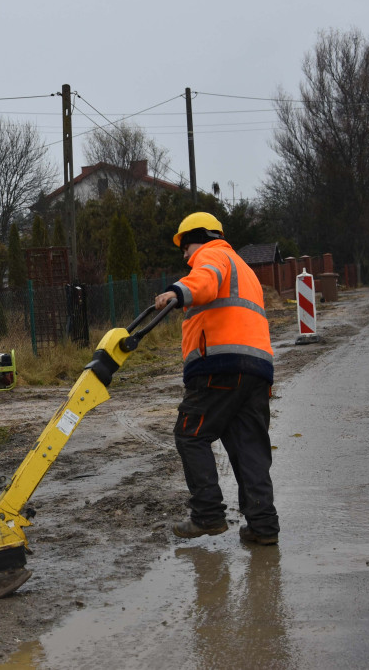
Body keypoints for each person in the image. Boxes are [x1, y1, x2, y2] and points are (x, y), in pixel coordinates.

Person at [154, 212, 279, 546]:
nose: (184, 254)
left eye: (184, 245)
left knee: (190, 434)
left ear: (199, 236)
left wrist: (176, 292)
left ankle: (207, 515)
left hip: (220, 365)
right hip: (256, 370)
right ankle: (263, 526)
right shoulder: (246, 270)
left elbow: (204, 281)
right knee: (249, 447)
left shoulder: (212, 254)